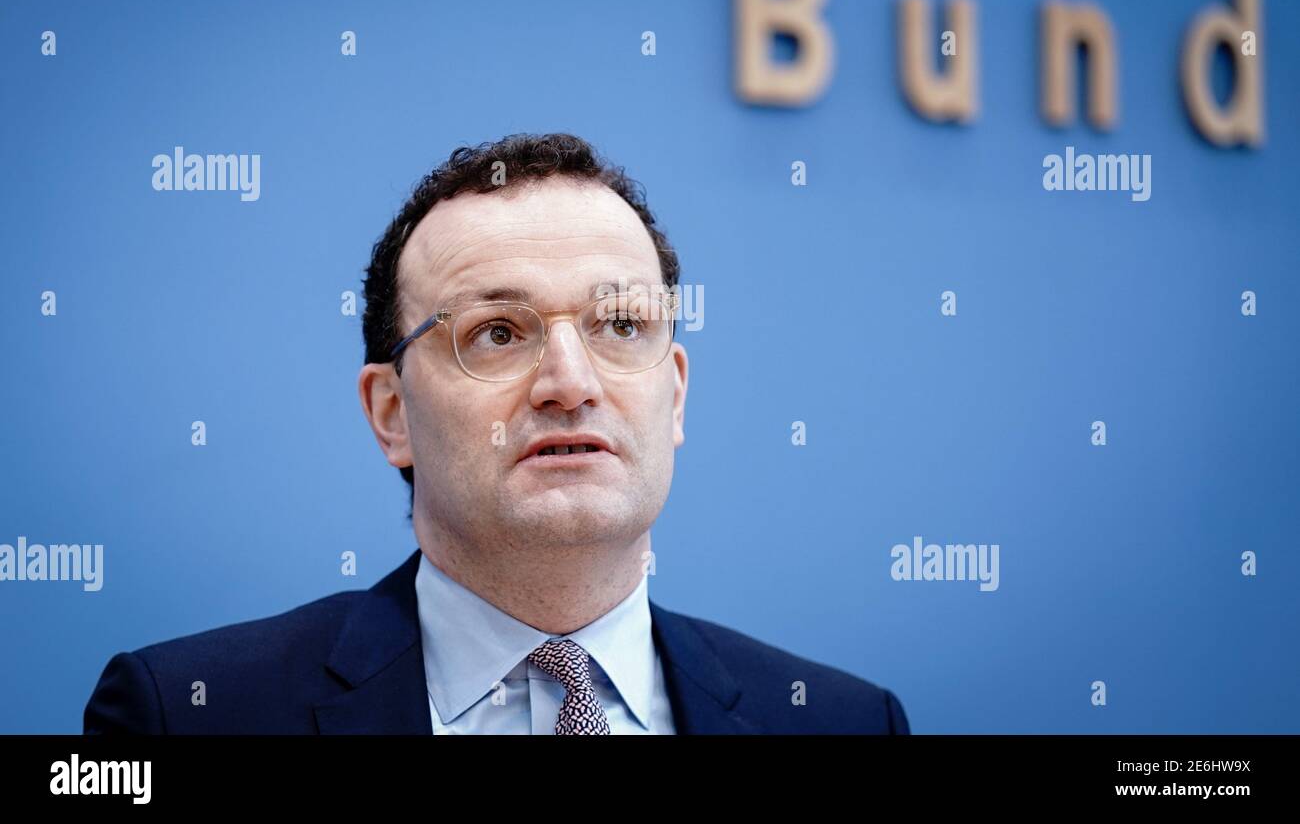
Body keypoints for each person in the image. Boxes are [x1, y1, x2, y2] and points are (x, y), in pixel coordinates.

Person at [83, 133, 910, 735]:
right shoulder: (186, 714)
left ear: (677, 394)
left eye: (620, 324)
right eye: (498, 334)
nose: (570, 384)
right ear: (391, 413)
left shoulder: (846, 722)